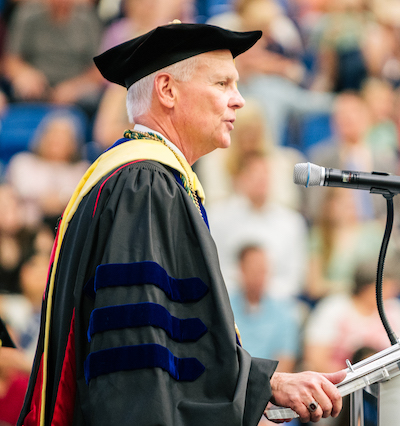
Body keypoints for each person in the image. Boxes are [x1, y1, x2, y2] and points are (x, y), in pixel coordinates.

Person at [17, 22, 345, 426]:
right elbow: (139, 360)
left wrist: (263, 383)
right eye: (222, 84)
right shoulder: (144, 187)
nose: (239, 100)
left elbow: (181, 343)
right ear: (168, 90)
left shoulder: (151, 182)